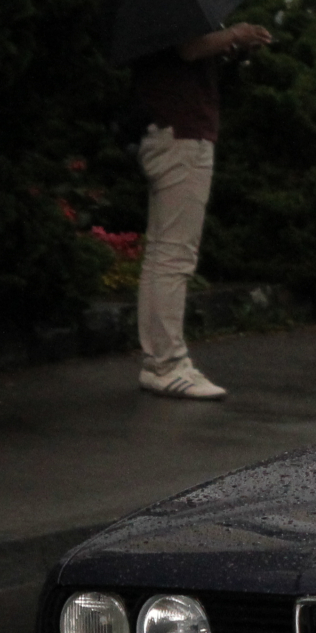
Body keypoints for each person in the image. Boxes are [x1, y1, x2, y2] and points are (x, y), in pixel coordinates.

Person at [131, 22, 272, 399]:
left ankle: (160, 361)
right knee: (174, 254)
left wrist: (229, 47)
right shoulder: (174, 0)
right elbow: (189, 48)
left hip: (168, 130)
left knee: (163, 252)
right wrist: (235, 35)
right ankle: (167, 364)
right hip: (182, 135)